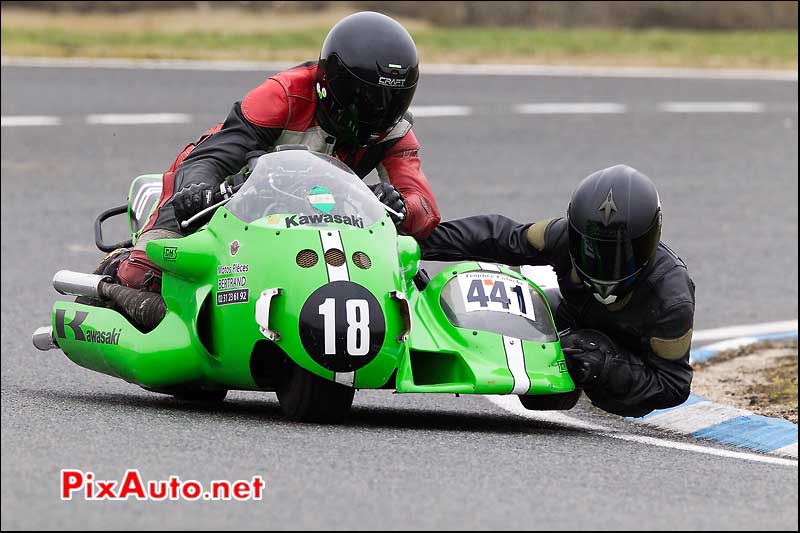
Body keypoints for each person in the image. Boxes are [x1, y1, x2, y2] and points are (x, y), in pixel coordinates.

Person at [106, 11, 440, 291]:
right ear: (333, 83)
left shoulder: (394, 128)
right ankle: (114, 269)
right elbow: (211, 157)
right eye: (365, 100)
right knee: (143, 276)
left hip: (314, 214)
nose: (378, 113)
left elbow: (424, 206)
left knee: (406, 279)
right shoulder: (283, 94)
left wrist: (397, 206)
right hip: (224, 196)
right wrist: (197, 192)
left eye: (392, 102)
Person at [420, 164, 695, 418]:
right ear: (575, 234)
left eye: (622, 251)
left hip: (628, 362)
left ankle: (586, 366)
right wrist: (417, 239)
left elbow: (674, 384)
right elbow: (500, 237)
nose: (604, 262)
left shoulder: (671, 298)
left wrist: (608, 369)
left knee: (582, 355)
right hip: (573, 320)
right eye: (593, 248)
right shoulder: (561, 236)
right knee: (514, 312)